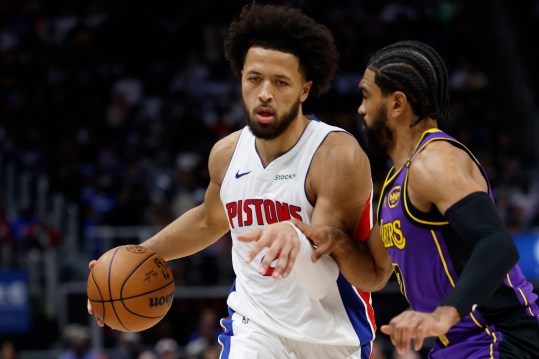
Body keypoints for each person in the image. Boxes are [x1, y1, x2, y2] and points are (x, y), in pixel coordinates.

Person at [88, 3, 390, 358]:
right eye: (254, 79)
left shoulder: (335, 154)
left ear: (305, 90)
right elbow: (208, 219)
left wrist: (294, 236)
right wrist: (135, 258)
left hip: (331, 335)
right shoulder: (227, 153)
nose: (265, 92)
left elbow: (323, 278)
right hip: (254, 326)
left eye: (280, 82)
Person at [294, 40, 539, 358]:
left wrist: (444, 314)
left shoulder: (435, 160)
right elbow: (373, 273)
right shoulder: (397, 182)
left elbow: (497, 243)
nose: (361, 109)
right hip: (456, 346)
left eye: (367, 96)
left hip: (500, 338)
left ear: (397, 104)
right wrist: (337, 241)